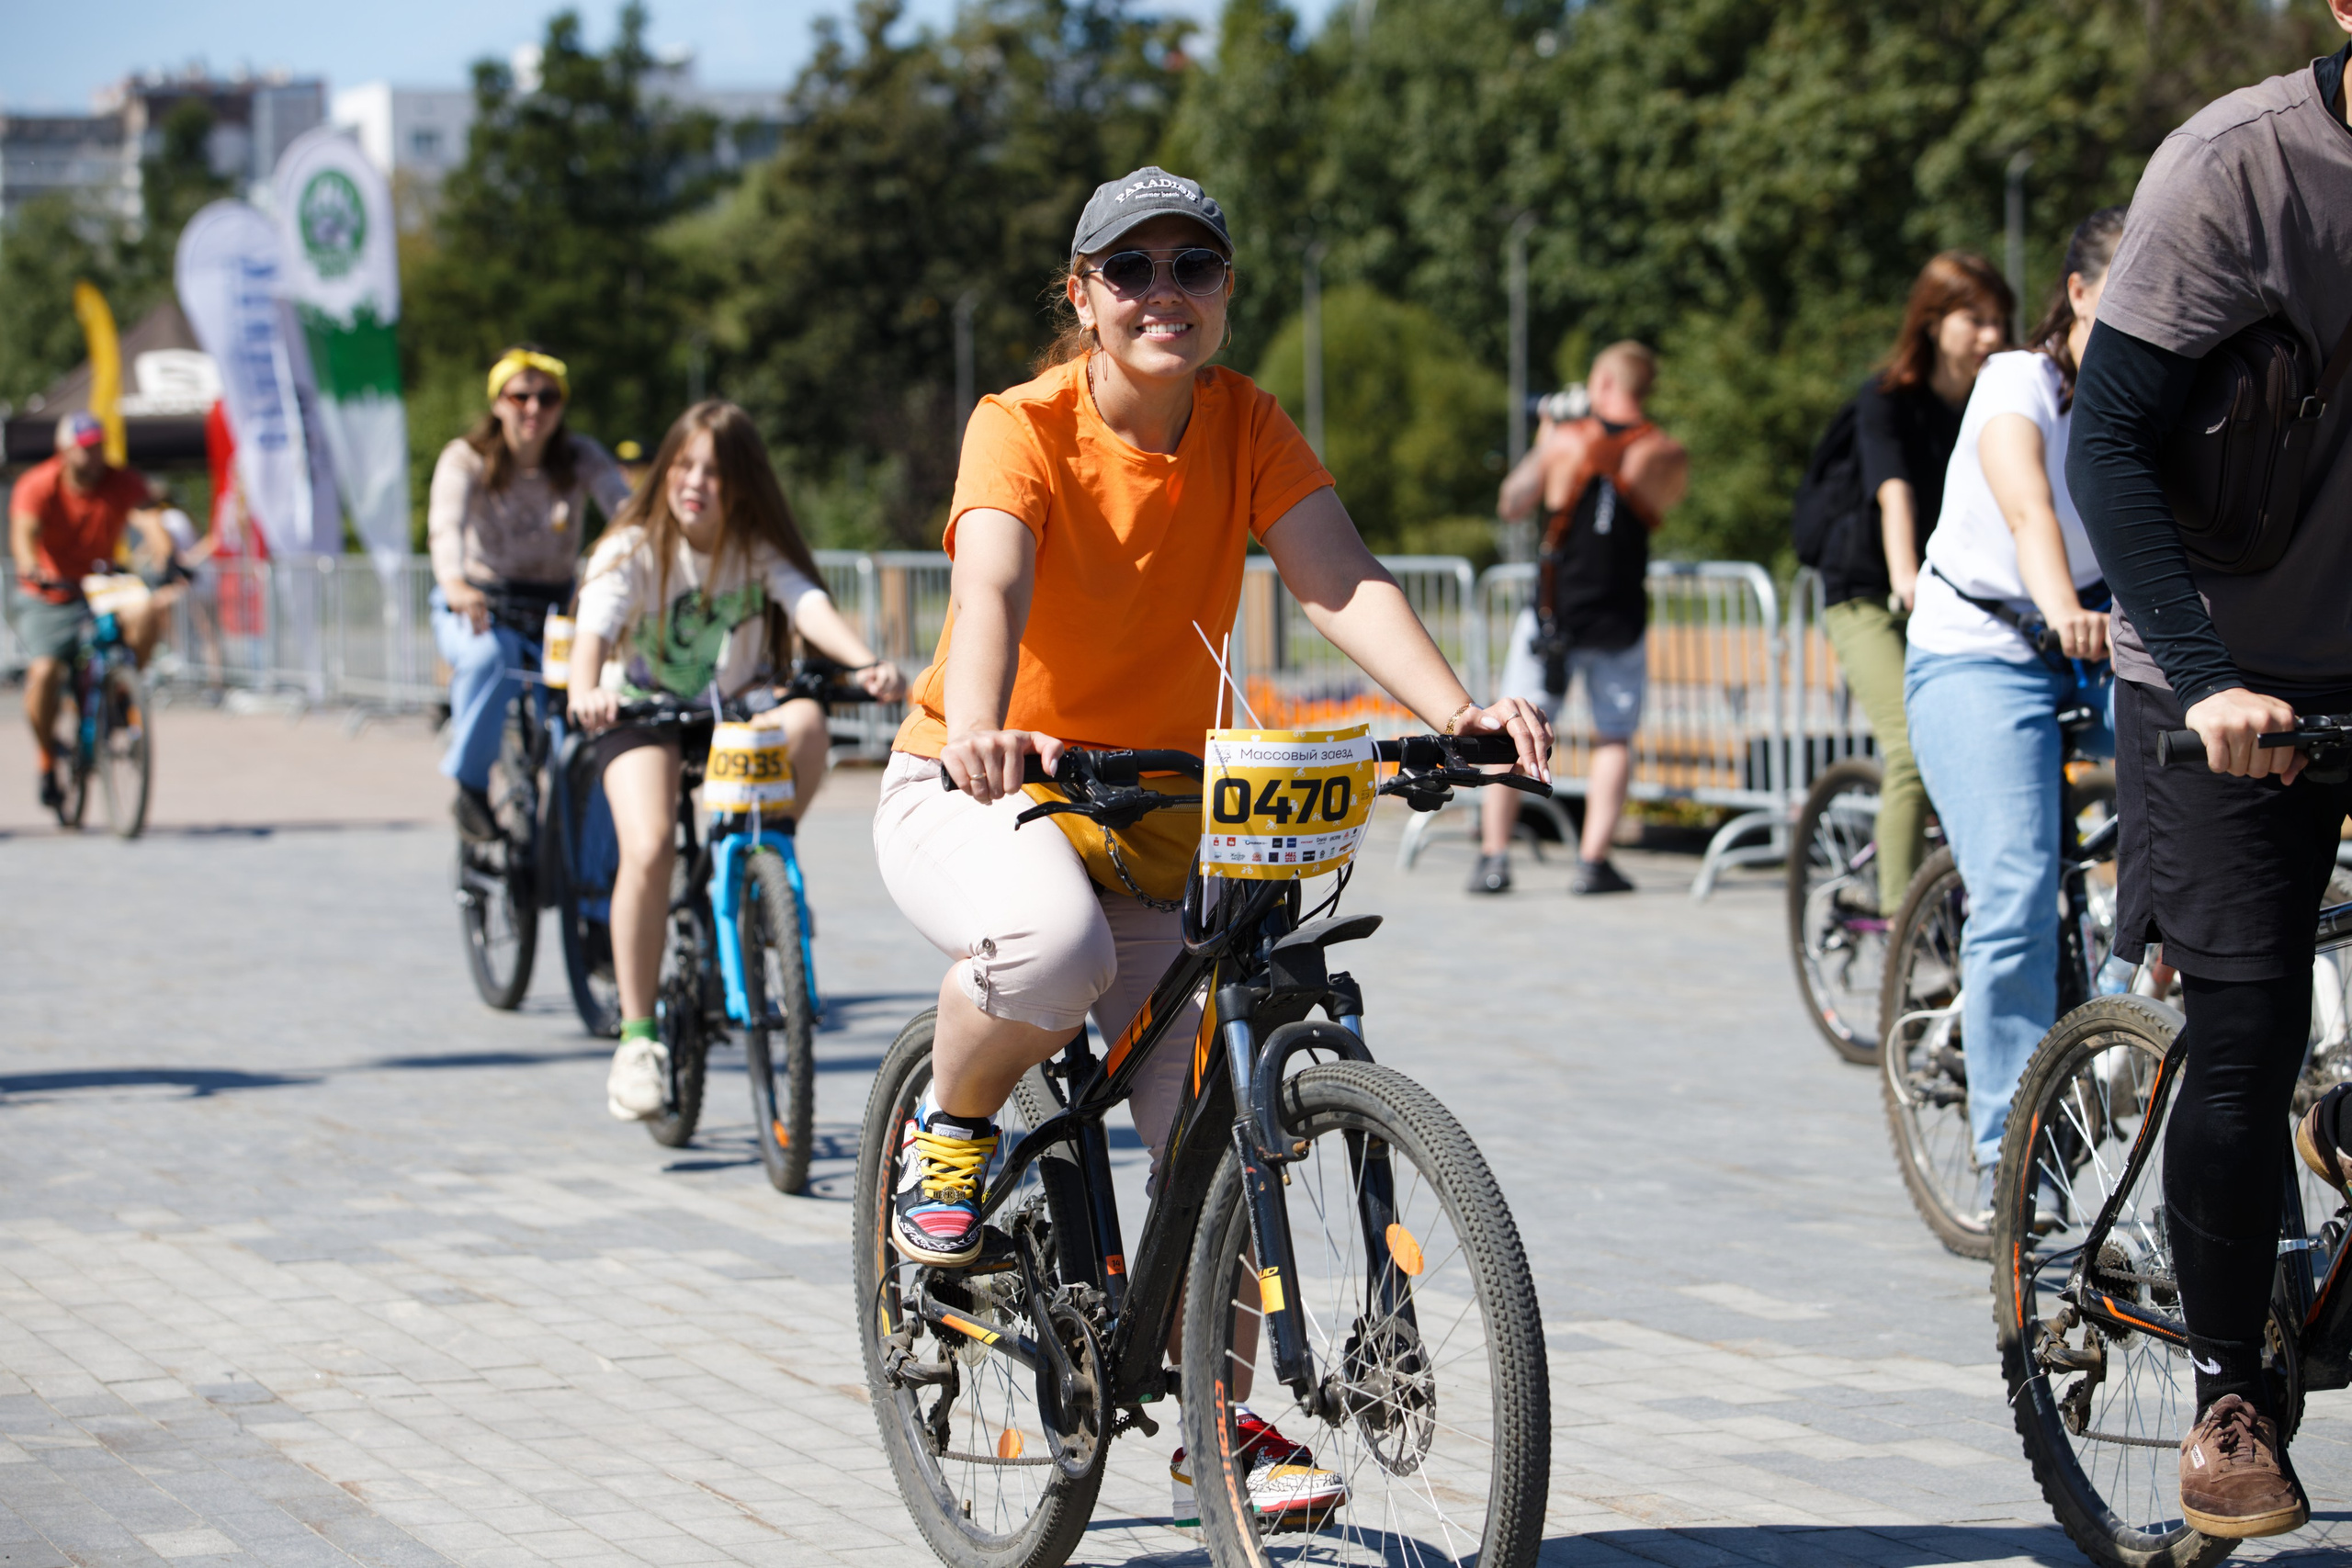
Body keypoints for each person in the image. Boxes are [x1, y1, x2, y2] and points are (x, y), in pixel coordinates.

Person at [868, 165, 1551, 1524]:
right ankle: (949, 1129)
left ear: (1226, 290)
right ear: (1083, 296)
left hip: (1152, 818)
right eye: (1131, 269)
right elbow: (990, 582)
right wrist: (985, 728)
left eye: (1194, 267)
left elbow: (1338, 577)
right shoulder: (1021, 425)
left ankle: (1214, 1428)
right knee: (1047, 948)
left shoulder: (1245, 422)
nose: (1163, 293)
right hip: (978, 784)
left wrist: (1454, 713)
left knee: (1220, 1122)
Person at [2070, 11, 2352, 1537]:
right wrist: (2204, 676)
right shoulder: (2237, 171)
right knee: (2245, 1031)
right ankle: (2228, 1393)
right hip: (2219, 671)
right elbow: (2107, 443)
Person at [566, 400, 903, 1121]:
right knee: (649, 846)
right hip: (640, 713)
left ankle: (758, 869)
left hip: (735, 714)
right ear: (666, 469)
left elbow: (807, 605)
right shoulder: (630, 547)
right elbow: (593, 632)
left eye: (715, 472)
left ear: (744, 483)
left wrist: (864, 662)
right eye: (684, 465)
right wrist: (586, 690)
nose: (695, 483)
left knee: (807, 720)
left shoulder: (754, 545)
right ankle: (637, 1040)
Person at [1902, 209, 2123, 1219]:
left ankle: (2131, 1007)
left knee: (2228, 787)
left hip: (2100, 643)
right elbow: (2031, 507)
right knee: (2019, 889)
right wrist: (2065, 607)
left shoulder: (2157, 393)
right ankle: (2008, 1155)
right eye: (2130, 292)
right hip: (1981, 650)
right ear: (2076, 293)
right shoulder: (2016, 382)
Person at [1820, 253, 2013, 914]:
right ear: (1933, 322)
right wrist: (1907, 576)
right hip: (1868, 592)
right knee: (1910, 748)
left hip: (1954, 594)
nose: (1991, 334)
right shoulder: (1887, 399)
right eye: (1974, 319)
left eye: (1998, 320)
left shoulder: (1997, 402)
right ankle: (1899, 919)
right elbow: (1893, 491)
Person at [1475, 342, 1687, 895]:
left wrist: (1546, 439)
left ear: (1605, 383)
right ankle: (1593, 863)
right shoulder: (1665, 451)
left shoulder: (1566, 441)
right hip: (1620, 617)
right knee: (1613, 739)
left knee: (1513, 732)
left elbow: (1511, 503)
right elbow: (1667, 503)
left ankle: (1494, 858)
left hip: (1554, 615)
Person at [428, 346, 633, 840]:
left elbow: (627, 513)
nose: (534, 408)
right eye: (520, 396)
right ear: (498, 401)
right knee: (488, 659)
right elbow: (445, 526)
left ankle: (590, 854)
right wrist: (455, 583)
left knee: (586, 702)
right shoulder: (467, 457)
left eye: (548, 397)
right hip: (481, 604)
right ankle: (471, 787)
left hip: (554, 609)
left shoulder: (580, 457)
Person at [7, 412, 175, 809]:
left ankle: (123, 691)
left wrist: (167, 556)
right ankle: (47, 758)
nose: (95, 456)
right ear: (65, 451)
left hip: (101, 584)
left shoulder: (120, 481)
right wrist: (31, 565)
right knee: (44, 672)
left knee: (147, 611)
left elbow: (150, 521)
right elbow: (23, 533)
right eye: (86, 449)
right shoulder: (38, 483)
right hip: (49, 591)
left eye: (99, 447)